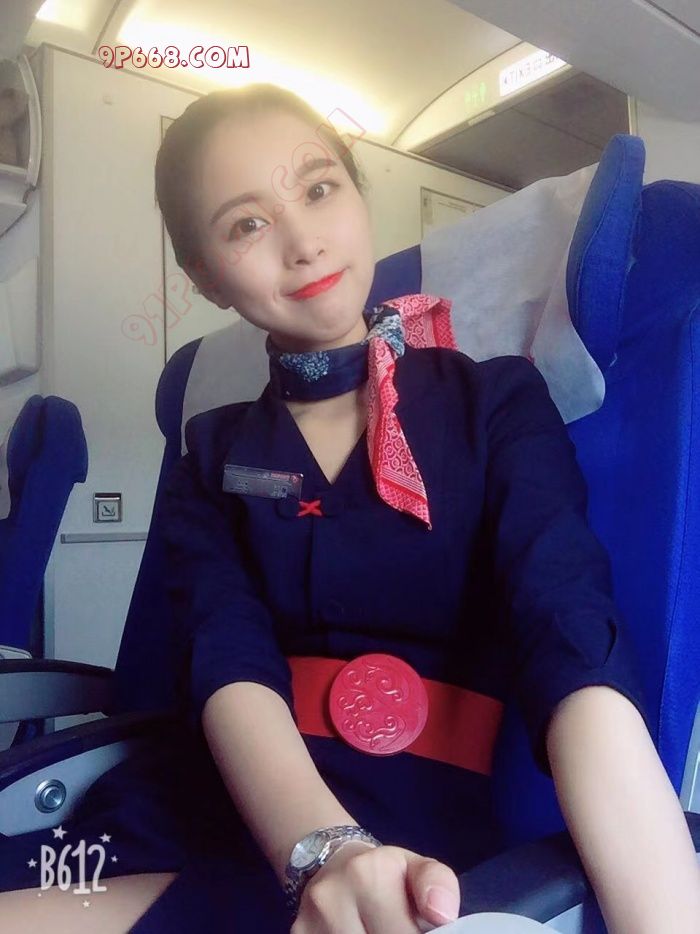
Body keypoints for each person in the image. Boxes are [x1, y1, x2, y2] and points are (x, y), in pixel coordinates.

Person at [1, 83, 699, 934]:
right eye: (246, 224)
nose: (302, 242)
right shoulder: (210, 454)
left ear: (359, 197)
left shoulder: (495, 404)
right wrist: (319, 850)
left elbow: (572, 637)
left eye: (319, 187)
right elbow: (228, 659)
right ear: (205, 277)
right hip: (227, 801)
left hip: (415, 831)